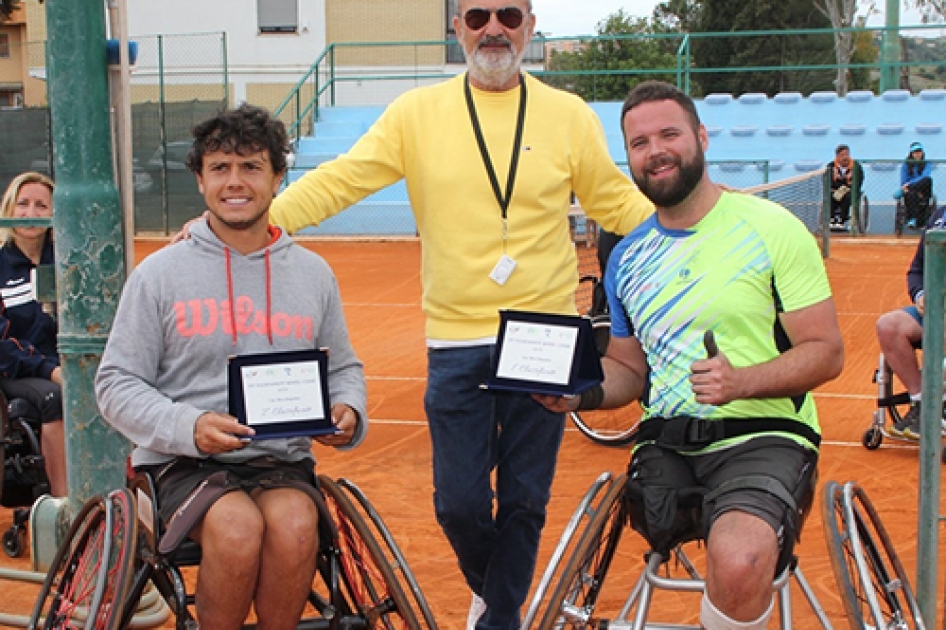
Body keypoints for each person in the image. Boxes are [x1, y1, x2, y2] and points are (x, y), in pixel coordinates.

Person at [174, 2, 651, 628]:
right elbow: (343, 180)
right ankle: (497, 590)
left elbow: (613, 199)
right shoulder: (416, 114)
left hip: (543, 335)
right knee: (458, 503)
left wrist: (693, 221)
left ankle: (498, 616)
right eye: (477, 14)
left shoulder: (568, 116)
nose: (493, 28)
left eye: (508, 13)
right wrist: (253, 218)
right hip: (456, 337)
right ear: (458, 28)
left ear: (530, 25)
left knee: (526, 501)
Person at [536, 81, 844, 630]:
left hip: (765, 436)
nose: (655, 151)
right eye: (639, 142)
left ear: (700, 137)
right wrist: (578, 392)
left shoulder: (773, 229)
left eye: (669, 134)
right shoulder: (626, 256)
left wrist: (741, 381)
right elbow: (629, 371)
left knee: (739, 559)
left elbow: (826, 353)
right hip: (666, 448)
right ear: (628, 157)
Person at [95, 104, 367, 630]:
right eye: (220, 168)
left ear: (277, 178)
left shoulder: (313, 274)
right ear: (200, 180)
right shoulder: (158, 274)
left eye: (251, 167)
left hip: (278, 460)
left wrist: (348, 408)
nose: (235, 182)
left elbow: (345, 367)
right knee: (238, 527)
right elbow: (115, 382)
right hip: (180, 462)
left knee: (293, 524)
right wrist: (188, 425)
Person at [0, 172, 67, 497]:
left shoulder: (68, 259)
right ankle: (66, 509)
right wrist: (50, 370)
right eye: (23, 204)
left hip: (65, 366)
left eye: (42, 205)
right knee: (55, 399)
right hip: (17, 371)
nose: (30, 212)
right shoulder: (1, 264)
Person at [875, 203, 946, 439]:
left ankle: (940, 403)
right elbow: (917, 269)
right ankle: (921, 403)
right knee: (888, 325)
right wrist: (921, 295)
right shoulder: (940, 216)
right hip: (934, 308)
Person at [897, 141, 934, 229]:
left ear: (922, 153)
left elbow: (925, 176)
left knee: (927, 180)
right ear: (911, 154)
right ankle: (912, 219)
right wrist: (907, 186)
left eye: (919, 152)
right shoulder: (906, 165)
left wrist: (909, 184)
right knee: (911, 193)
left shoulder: (927, 163)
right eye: (915, 152)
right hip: (910, 192)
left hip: (922, 189)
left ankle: (922, 220)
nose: (917, 154)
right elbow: (903, 181)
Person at [827, 143, 864, 230]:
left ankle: (842, 220)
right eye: (842, 155)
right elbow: (827, 182)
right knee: (830, 196)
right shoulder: (830, 166)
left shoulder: (856, 166)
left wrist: (846, 187)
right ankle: (831, 219)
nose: (845, 157)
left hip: (850, 191)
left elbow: (859, 180)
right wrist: (839, 186)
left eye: (847, 154)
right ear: (837, 156)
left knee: (847, 197)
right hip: (835, 190)